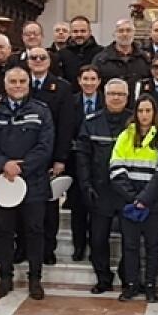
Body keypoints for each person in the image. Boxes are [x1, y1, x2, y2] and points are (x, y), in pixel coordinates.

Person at [0, 66, 55, 300]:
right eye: (13, 81)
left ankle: (35, 280)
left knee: (34, 231)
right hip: (2, 182)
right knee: (3, 232)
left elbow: (45, 146)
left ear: (28, 83)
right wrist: (4, 165)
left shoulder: (41, 111)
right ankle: (5, 278)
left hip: (33, 182)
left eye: (23, 80)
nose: (18, 85)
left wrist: (21, 167)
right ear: (5, 83)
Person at [76, 78, 133, 293]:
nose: (116, 98)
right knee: (98, 239)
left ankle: (127, 276)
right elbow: (82, 157)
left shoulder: (135, 122)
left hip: (128, 191)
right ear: (104, 95)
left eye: (121, 94)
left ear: (127, 97)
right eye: (112, 94)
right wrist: (85, 185)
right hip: (100, 191)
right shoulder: (91, 121)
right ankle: (103, 278)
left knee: (131, 240)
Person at [110, 94, 158, 302]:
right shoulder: (126, 135)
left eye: (148, 111)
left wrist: (145, 198)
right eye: (140, 111)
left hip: (153, 201)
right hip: (129, 200)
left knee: (153, 246)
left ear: (154, 113)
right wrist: (133, 198)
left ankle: (150, 285)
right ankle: (131, 284)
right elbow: (116, 167)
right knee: (130, 245)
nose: (144, 115)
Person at [26, 46, 75, 265]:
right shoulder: (20, 84)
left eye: (41, 57)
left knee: (49, 205)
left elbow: (66, 127)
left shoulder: (62, 87)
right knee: (23, 204)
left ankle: (48, 248)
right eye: (33, 57)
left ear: (49, 61)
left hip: (49, 156)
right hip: (24, 156)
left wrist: (60, 159)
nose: (37, 60)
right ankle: (23, 248)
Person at [69, 65, 104, 261]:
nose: (89, 83)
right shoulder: (71, 102)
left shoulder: (105, 102)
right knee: (77, 209)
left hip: (98, 162)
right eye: (86, 79)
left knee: (97, 209)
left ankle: (95, 247)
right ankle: (78, 246)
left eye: (93, 79)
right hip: (76, 162)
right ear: (79, 81)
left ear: (99, 82)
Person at [92, 19, 150, 90]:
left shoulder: (144, 58)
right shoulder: (101, 60)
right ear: (114, 34)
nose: (125, 34)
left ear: (133, 33)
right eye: (120, 31)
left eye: (128, 30)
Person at [64, 16, 102, 82]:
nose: (79, 34)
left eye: (83, 31)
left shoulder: (101, 53)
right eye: (75, 31)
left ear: (90, 32)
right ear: (70, 33)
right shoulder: (61, 54)